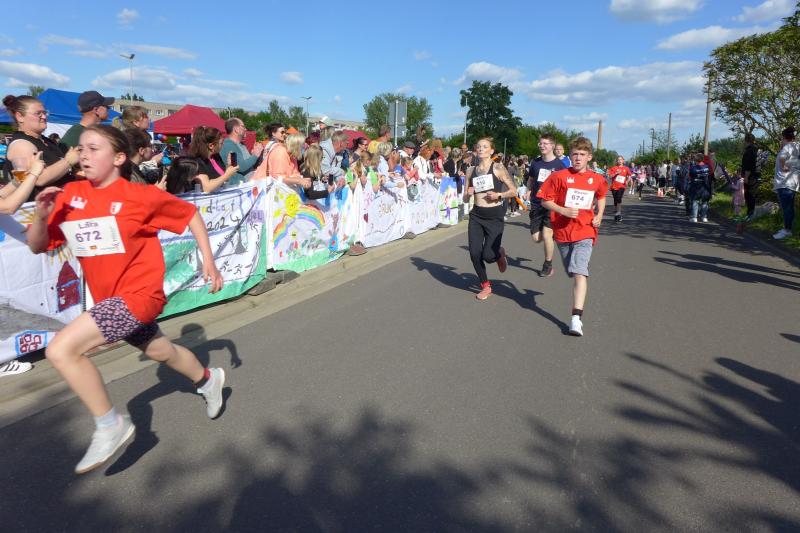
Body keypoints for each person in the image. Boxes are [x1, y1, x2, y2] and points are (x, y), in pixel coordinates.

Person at [26, 125, 226, 474]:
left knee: (61, 350)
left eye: (94, 148)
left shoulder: (139, 196)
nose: (84, 155)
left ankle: (110, 425)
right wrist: (41, 217)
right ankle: (209, 379)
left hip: (140, 295)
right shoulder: (71, 194)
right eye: (81, 148)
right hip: (109, 298)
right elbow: (38, 245)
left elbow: (190, 214)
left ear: (119, 158)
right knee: (160, 352)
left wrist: (208, 260)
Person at [537, 136, 607, 337]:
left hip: (585, 230)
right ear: (570, 155)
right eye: (575, 154)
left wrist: (600, 215)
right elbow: (544, 200)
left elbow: (601, 196)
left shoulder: (596, 179)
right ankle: (575, 274)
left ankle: (576, 318)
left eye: (582, 154)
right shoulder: (559, 176)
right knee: (572, 270)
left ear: (589, 157)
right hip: (563, 231)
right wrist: (563, 210)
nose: (578, 158)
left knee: (580, 272)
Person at [464, 138, 517, 300]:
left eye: (485, 147)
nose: (481, 149)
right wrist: (468, 194)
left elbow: (513, 191)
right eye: (479, 146)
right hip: (476, 216)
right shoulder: (470, 170)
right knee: (474, 253)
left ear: (491, 151)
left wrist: (498, 195)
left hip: (494, 216)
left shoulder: (498, 168)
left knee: (488, 256)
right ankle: (485, 285)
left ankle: (498, 253)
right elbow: (465, 199)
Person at [2, 94, 80, 201]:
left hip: (63, 200)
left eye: (44, 112)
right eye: (38, 113)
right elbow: (39, 179)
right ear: (20, 117)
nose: (44, 117)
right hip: (38, 206)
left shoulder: (46, 141)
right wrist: (68, 161)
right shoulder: (21, 144)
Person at [524, 134, 565, 277]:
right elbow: (531, 179)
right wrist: (528, 191)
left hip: (552, 204)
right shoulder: (535, 163)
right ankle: (550, 239)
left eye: (545, 143)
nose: (542, 146)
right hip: (537, 203)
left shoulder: (560, 165)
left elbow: (564, 185)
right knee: (536, 238)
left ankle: (548, 265)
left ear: (552, 146)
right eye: (540, 143)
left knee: (547, 234)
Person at [186, 126, 239, 193]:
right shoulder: (196, 161)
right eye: (221, 143)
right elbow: (206, 188)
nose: (223, 145)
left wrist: (229, 166)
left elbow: (221, 178)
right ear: (211, 146)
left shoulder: (215, 156)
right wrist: (227, 175)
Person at [772, 126, 800, 240]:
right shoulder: (796, 146)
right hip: (792, 182)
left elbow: (782, 158)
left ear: (784, 137)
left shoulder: (788, 146)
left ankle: (787, 230)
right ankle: (788, 229)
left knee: (786, 208)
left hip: (784, 182)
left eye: (781, 138)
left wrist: (783, 166)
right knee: (789, 208)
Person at [220, 118, 262, 183]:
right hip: (239, 186)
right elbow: (240, 167)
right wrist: (255, 155)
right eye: (243, 126)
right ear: (236, 129)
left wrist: (255, 156)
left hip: (249, 184)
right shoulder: (228, 145)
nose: (246, 129)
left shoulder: (241, 145)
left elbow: (248, 165)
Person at [687, 153, 712, 223]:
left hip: (696, 186)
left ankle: (694, 217)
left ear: (695, 160)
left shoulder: (693, 168)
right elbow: (710, 176)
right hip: (705, 187)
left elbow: (690, 176)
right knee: (705, 202)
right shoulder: (707, 167)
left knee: (695, 201)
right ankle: (704, 217)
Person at [608, 156, 632, 223]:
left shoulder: (626, 168)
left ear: (623, 161)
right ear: (617, 161)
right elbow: (610, 176)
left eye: (621, 159)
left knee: (619, 198)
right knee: (615, 200)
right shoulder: (614, 168)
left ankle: (618, 213)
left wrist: (627, 181)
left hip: (622, 186)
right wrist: (616, 173)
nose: (619, 161)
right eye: (618, 160)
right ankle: (616, 213)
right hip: (614, 186)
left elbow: (629, 175)